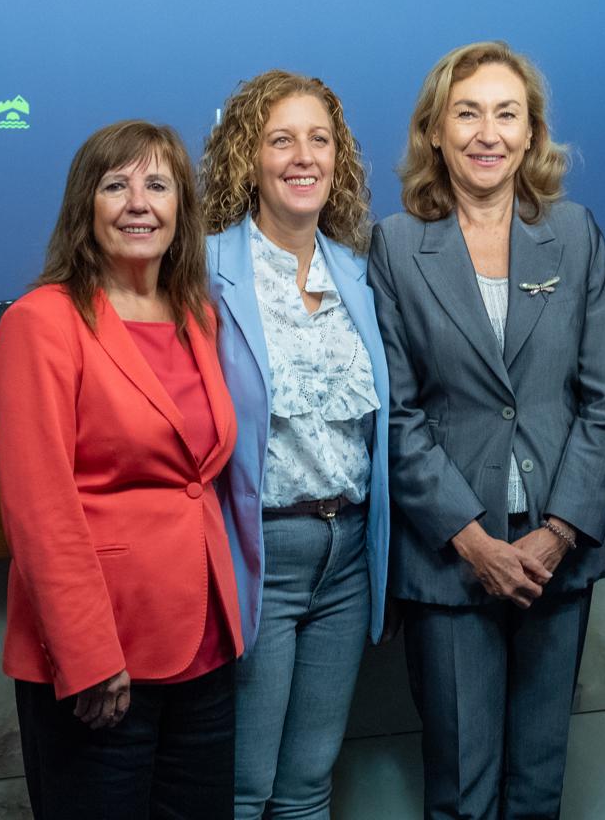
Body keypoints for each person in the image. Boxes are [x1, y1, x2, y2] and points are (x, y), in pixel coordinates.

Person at [368, 40, 605, 819]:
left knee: (538, 788)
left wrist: (555, 534)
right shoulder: (395, 245)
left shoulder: (575, 233)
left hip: (559, 555)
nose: (488, 132)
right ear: (436, 131)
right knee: (461, 793)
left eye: (506, 114)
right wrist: (473, 541)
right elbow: (399, 414)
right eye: (468, 112)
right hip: (451, 562)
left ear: (531, 133)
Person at [0, 120, 241, 819]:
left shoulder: (196, 316)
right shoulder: (42, 323)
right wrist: (88, 654)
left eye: (158, 185)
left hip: (207, 647)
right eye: (116, 185)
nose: (139, 202)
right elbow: (39, 510)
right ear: (85, 207)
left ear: (180, 209)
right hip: (105, 656)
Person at [200, 70, 390, 819]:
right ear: (249, 159)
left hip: (347, 559)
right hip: (257, 556)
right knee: (243, 791)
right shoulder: (205, 271)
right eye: (281, 140)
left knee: (309, 786)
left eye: (320, 139)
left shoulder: (361, 273)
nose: (302, 156)